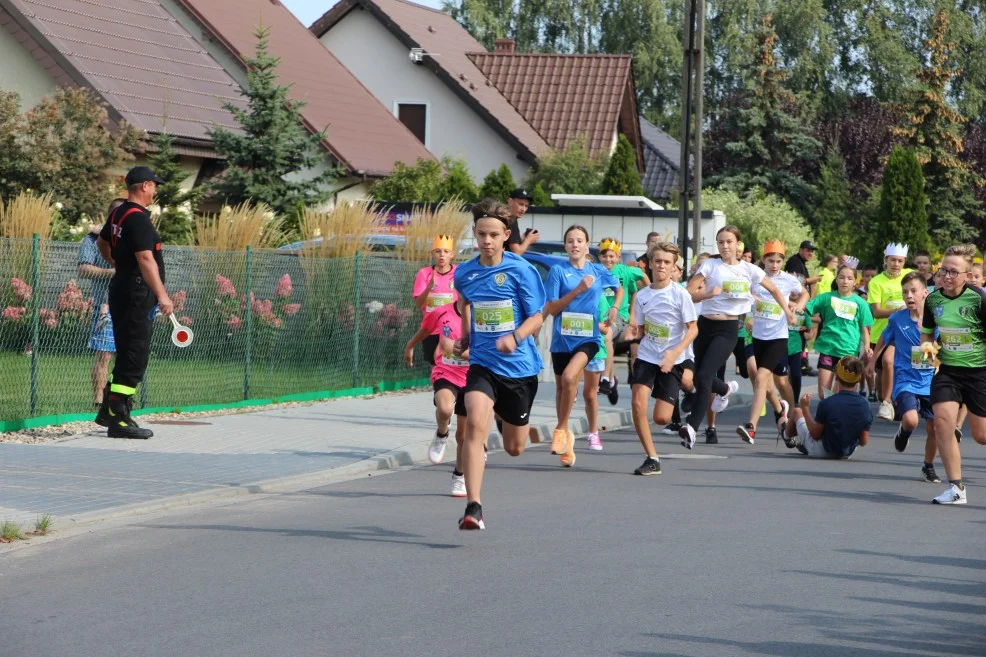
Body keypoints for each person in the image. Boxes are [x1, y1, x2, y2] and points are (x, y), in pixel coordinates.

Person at [453, 198, 546, 529]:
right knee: (475, 424)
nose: (487, 241)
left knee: (515, 447)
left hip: (520, 368)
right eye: (481, 234)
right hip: (483, 364)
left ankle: (506, 426)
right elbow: (467, 306)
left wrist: (516, 337)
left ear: (506, 235)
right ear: (474, 234)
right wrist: (466, 336)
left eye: (494, 234)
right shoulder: (465, 273)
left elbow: (537, 317)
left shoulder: (522, 271)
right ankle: (473, 507)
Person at [681, 225, 796, 449]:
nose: (725, 246)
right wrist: (707, 294)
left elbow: (774, 290)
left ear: (737, 245)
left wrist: (788, 312)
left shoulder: (749, 269)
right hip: (705, 325)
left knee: (704, 375)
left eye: (729, 242)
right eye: (721, 242)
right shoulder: (710, 265)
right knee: (695, 377)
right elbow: (688, 292)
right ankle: (725, 389)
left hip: (728, 329)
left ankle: (692, 427)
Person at [94, 166, 172, 439]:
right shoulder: (138, 219)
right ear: (144, 186)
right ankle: (119, 417)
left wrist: (116, 263)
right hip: (137, 293)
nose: (156, 191)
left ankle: (108, 408)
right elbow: (145, 259)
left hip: (123, 288)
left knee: (127, 349)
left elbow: (102, 243)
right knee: (135, 353)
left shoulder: (118, 212)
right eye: (154, 185)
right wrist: (162, 295)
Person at [544, 226, 620, 467]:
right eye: (570, 241)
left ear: (587, 245)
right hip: (561, 338)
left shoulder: (597, 270)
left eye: (579, 241)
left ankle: (561, 429)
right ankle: (567, 440)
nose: (574, 245)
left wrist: (614, 308)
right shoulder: (558, 271)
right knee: (561, 390)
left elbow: (618, 288)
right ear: (565, 246)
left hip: (588, 338)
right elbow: (553, 309)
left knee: (569, 378)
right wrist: (578, 290)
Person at [920, 244, 986, 505]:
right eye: (943, 270)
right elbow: (927, 332)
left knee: (981, 436)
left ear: (967, 276)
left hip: (979, 372)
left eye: (953, 272)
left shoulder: (978, 299)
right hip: (947, 371)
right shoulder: (933, 299)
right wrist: (927, 348)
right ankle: (956, 489)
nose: (946, 276)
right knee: (942, 423)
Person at [866, 272, 942, 483]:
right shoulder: (897, 319)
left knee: (934, 427)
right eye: (905, 292)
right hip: (906, 378)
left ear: (925, 293)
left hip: (931, 379)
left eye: (913, 291)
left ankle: (928, 466)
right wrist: (873, 361)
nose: (909, 296)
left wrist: (933, 345)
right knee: (911, 419)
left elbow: (943, 347)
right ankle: (904, 431)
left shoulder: (936, 318)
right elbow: (884, 338)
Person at [629, 241, 697, 475]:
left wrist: (674, 354)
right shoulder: (641, 296)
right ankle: (652, 458)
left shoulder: (680, 294)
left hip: (674, 359)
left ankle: (689, 388)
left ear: (673, 266)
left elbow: (693, 329)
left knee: (661, 418)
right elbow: (639, 329)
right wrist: (631, 334)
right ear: (649, 264)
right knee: (638, 402)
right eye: (657, 261)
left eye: (666, 262)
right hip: (648, 355)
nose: (661, 266)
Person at [737, 241, 808, 444]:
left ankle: (751, 427)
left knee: (761, 377)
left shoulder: (787, 280)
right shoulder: (756, 277)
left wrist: (798, 307)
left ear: (783, 262)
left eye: (778, 261)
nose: (774, 265)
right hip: (758, 336)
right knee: (767, 386)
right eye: (770, 261)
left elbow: (804, 293)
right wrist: (745, 318)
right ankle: (782, 410)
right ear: (764, 260)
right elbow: (745, 299)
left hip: (778, 337)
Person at [404, 300, 471, 496]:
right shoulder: (442, 312)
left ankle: (459, 476)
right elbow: (426, 329)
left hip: (472, 376)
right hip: (446, 372)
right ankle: (442, 435)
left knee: (464, 436)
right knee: (444, 409)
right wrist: (410, 346)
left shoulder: (481, 315)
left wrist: (461, 351)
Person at [804, 264, 874, 399]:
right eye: (841, 277)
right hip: (828, 349)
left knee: (843, 393)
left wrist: (867, 347)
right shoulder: (826, 298)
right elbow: (806, 308)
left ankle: (841, 416)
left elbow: (865, 329)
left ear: (855, 282)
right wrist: (804, 323)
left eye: (849, 278)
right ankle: (827, 417)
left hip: (848, 352)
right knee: (823, 393)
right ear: (836, 280)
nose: (845, 281)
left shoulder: (861, 303)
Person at [80, 199, 123, 414]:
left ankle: (121, 399)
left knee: (126, 355)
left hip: (129, 305)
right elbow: (84, 269)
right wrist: (112, 272)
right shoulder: (92, 239)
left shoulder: (132, 237)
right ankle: (99, 400)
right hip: (104, 306)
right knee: (104, 354)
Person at [783, 357, 872, 458]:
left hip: (821, 451)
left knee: (797, 412)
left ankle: (786, 436)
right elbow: (863, 441)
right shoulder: (865, 405)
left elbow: (815, 434)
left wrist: (805, 408)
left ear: (837, 377)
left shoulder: (827, 403)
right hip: (846, 453)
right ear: (859, 379)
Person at [597, 237, 648, 403]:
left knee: (606, 336)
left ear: (618, 257)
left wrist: (650, 295)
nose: (608, 259)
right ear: (599, 257)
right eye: (604, 256)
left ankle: (605, 378)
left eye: (612, 256)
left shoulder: (624, 271)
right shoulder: (596, 271)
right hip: (600, 315)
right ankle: (612, 380)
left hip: (619, 316)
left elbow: (642, 276)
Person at [868, 243, 912, 421]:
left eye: (900, 261)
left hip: (903, 333)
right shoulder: (876, 281)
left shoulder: (909, 276)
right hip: (881, 333)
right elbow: (876, 312)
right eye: (892, 260)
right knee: (881, 372)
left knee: (890, 362)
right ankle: (884, 398)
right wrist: (898, 311)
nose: (896, 264)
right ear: (885, 260)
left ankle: (890, 401)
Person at [412, 235, 459, 366]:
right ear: (432, 254)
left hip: (453, 330)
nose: (442, 255)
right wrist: (429, 287)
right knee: (436, 366)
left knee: (451, 365)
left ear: (452, 254)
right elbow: (418, 304)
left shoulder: (459, 273)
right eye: (438, 251)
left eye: (446, 251)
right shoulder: (424, 273)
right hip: (431, 329)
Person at [505, 188, 540, 256]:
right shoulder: (511, 220)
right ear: (510, 201)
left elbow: (509, 245)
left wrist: (522, 239)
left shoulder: (505, 218)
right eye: (521, 204)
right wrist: (528, 240)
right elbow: (516, 253)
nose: (523, 209)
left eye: (526, 206)